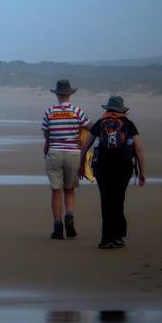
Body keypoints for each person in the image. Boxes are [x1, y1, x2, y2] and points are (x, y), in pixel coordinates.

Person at [79, 95, 147, 249]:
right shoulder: (128, 124)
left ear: (108, 109)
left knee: (106, 200)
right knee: (118, 199)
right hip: (123, 167)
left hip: (102, 167)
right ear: (122, 109)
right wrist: (142, 172)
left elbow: (85, 147)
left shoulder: (100, 123)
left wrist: (81, 166)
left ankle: (106, 239)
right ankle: (118, 237)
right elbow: (138, 149)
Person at [41, 79, 92, 239]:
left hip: (54, 153)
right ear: (69, 94)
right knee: (69, 190)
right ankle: (69, 217)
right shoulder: (77, 111)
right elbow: (92, 127)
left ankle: (57, 227)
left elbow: (46, 135)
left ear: (57, 94)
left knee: (56, 191)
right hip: (73, 154)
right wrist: (81, 138)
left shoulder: (50, 111)